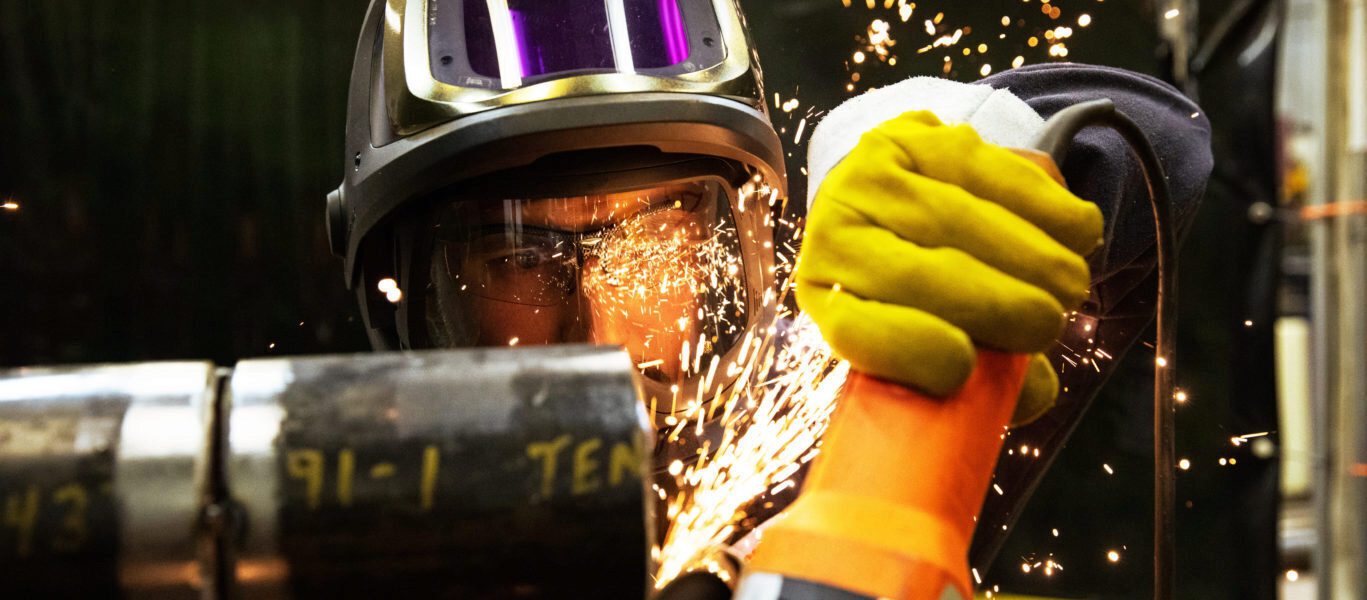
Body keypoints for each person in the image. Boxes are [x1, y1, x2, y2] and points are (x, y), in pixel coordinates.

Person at [325, 0, 1211, 595]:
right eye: (519, 258)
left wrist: (966, 143)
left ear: (749, 243)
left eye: (654, 244)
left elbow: (1160, 143)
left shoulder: (820, 437)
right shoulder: (307, 528)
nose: (600, 334)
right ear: (398, 300)